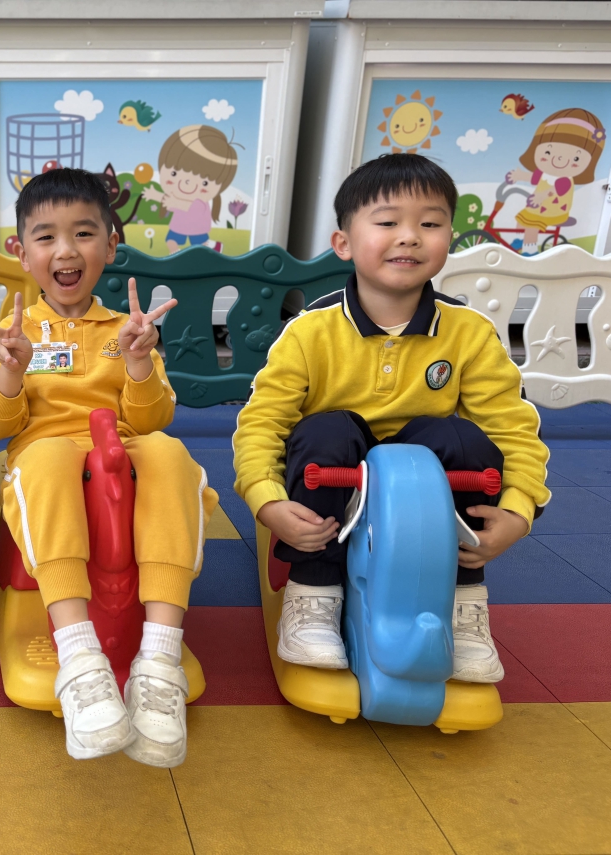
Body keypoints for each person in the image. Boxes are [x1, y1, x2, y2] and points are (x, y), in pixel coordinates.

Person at [233, 153, 550, 683]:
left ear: (449, 238)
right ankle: (313, 592)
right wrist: (266, 499)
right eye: (387, 222)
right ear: (343, 243)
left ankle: (462, 599)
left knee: (466, 440)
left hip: (424, 481)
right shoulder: (309, 332)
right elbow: (263, 422)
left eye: (430, 224)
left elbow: (512, 430)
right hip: (336, 475)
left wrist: (518, 511)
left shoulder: (469, 333)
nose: (409, 237)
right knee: (325, 428)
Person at [0, 167, 218, 768]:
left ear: (110, 245)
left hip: (123, 449)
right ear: (22, 252)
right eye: (47, 236)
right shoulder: (16, 333)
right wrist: (10, 373)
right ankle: (80, 658)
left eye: (83, 234)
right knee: (49, 455)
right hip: (47, 452)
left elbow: (154, 418)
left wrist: (138, 363)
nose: (66, 250)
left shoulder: (128, 330)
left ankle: (159, 658)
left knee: (171, 455)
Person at [507, 107, 605, 256]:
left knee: (531, 226)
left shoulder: (565, 180)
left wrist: (541, 196)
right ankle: (520, 240)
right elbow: (532, 177)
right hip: (537, 208)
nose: (559, 159)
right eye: (548, 151)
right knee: (520, 220)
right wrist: (519, 175)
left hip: (554, 210)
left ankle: (530, 250)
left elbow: (553, 191)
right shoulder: (545, 173)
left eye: (576, 158)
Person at [141, 125, 236, 254]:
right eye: (174, 173)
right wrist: (154, 195)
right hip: (178, 226)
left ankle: (214, 246)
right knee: (171, 240)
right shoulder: (177, 198)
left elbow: (182, 205)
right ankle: (175, 254)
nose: (187, 183)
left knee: (200, 244)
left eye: (204, 182)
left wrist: (164, 199)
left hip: (197, 228)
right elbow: (170, 201)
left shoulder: (200, 203)